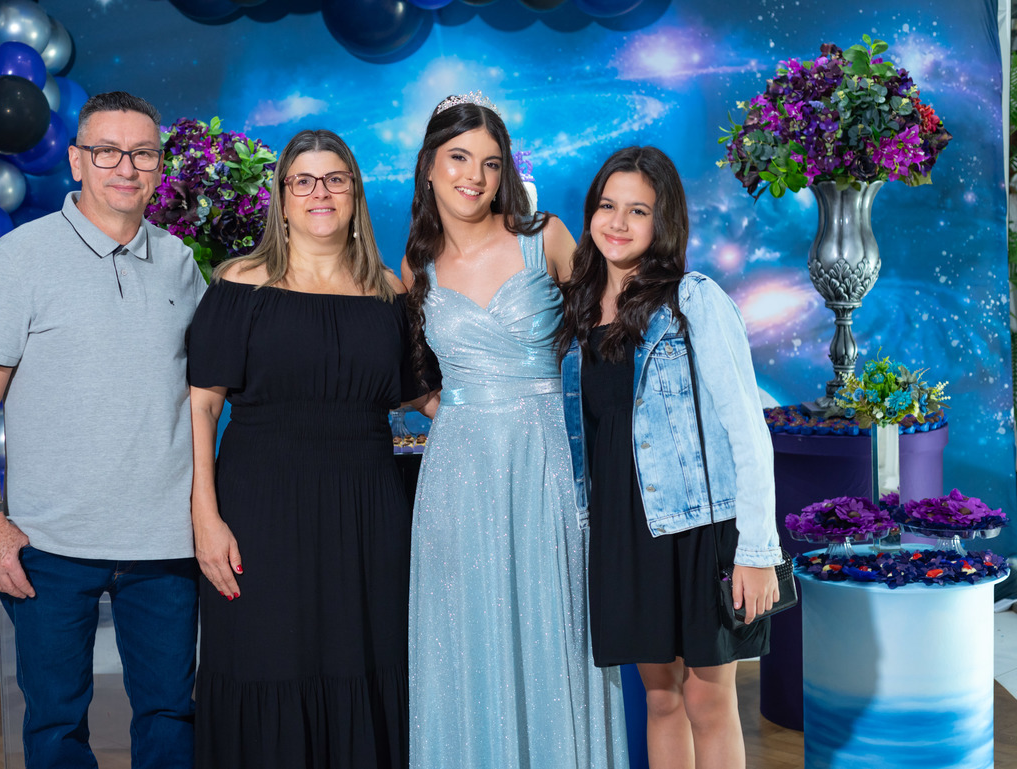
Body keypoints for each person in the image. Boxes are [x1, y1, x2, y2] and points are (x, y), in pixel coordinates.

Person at [0, 91, 207, 769]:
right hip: (50, 541)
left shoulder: (181, 262)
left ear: (159, 165)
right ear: (76, 160)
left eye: (143, 153)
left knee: (170, 714)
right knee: (55, 723)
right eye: (107, 151)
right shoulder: (22, 255)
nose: (126, 167)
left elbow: (206, 392)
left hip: (163, 541)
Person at [188, 129, 430, 768]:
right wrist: (204, 516)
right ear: (282, 197)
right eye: (304, 180)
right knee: (264, 660)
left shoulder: (389, 293)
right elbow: (203, 406)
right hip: (260, 508)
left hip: (368, 511)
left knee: (365, 660)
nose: (320, 192)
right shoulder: (240, 283)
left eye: (335, 179)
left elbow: (425, 396)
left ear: (354, 194)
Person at [402, 94, 628, 769]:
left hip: (544, 466)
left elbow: (610, 343)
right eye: (459, 158)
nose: (474, 176)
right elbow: (410, 375)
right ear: (430, 165)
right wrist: (461, 410)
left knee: (553, 626)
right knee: (465, 635)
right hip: (457, 478)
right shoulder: (417, 265)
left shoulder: (545, 236)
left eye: (491, 162)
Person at [558, 145, 781, 769]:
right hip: (624, 532)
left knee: (708, 702)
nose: (618, 223)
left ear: (664, 222)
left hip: (698, 528)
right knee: (660, 701)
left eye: (638, 210)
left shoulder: (693, 299)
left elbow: (747, 428)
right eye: (607, 206)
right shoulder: (576, 314)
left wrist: (757, 551)